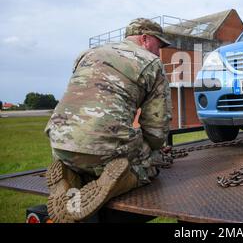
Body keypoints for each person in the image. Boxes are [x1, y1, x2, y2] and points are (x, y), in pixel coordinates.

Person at [45, 18, 172, 222]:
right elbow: (157, 127)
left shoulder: (87, 54)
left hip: (59, 142)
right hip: (103, 145)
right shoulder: (151, 63)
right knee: (150, 164)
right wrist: (151, 149)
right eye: (159, 45)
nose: (160, 52)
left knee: (87, 155)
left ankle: (71, 172)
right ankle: (117, 181)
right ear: (145, 38)